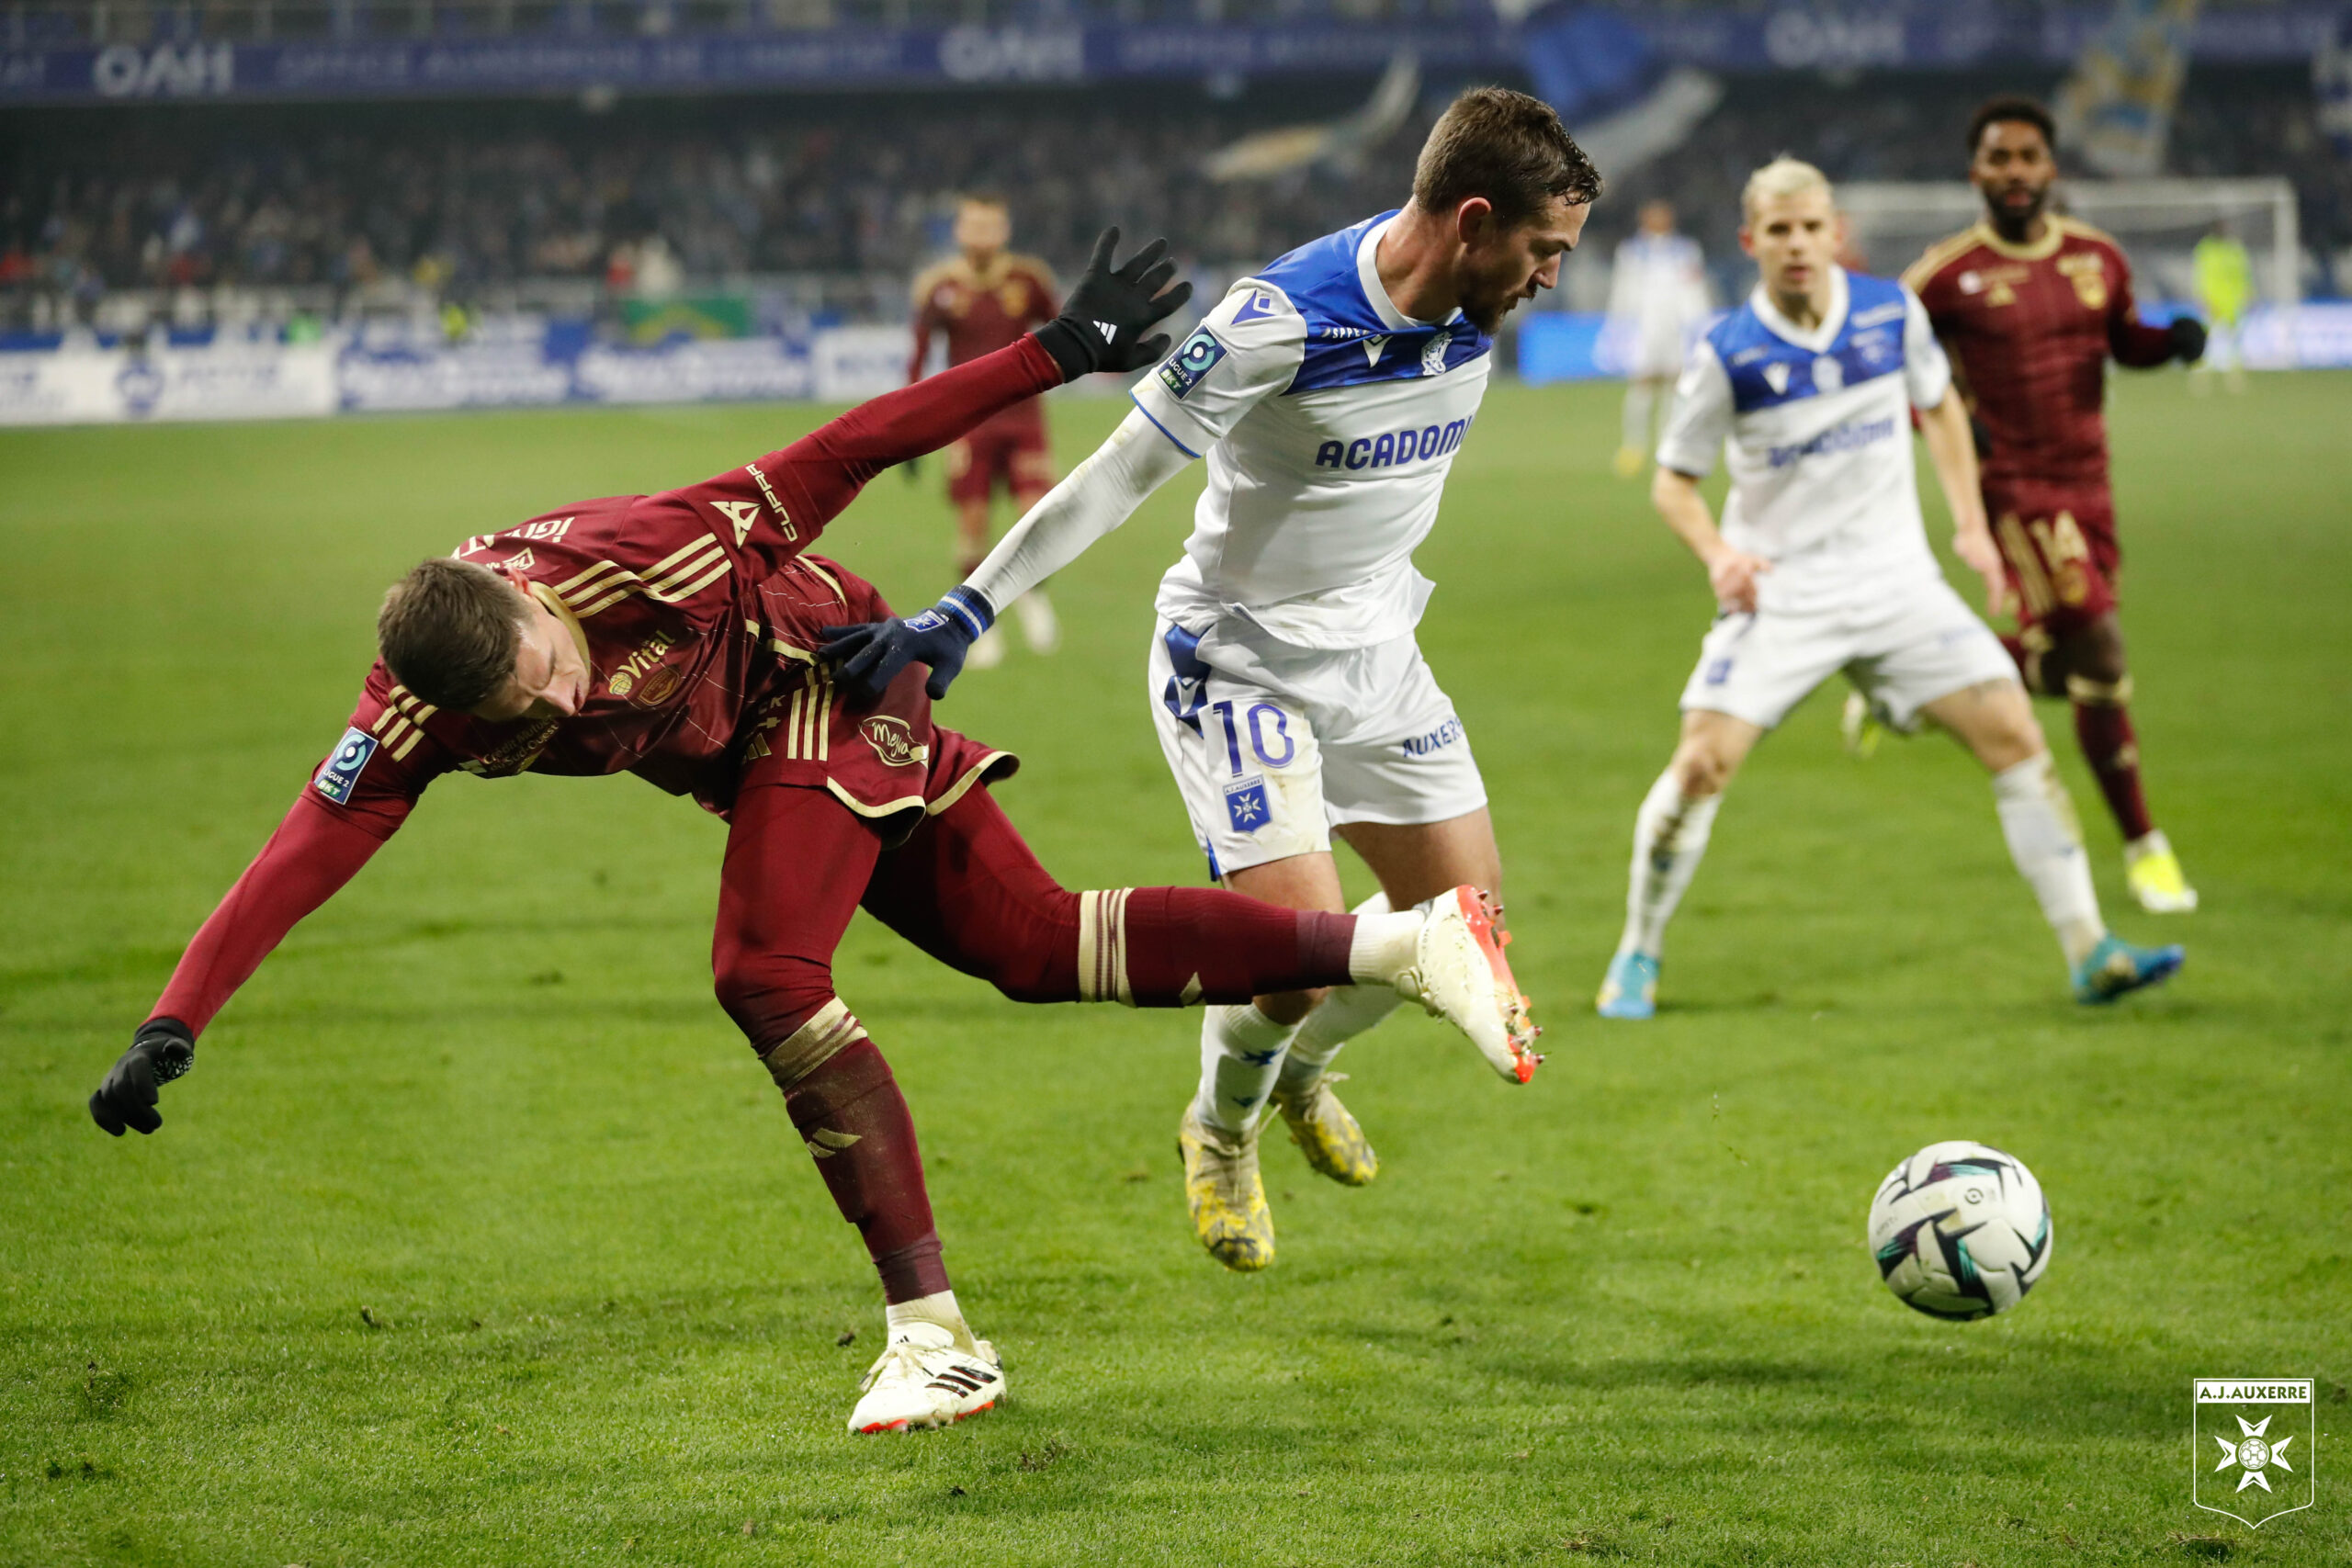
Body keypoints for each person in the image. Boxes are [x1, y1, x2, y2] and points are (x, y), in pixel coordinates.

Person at [85, 233, 1530, 1435]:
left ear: (533, 604)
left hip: (829, 672)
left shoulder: (647, 551)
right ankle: (1400, 941)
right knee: (1032, 947)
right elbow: (309, 843)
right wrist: (173, 1018)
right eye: (527, 713)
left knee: (765, 969)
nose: (564, 701)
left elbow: (846, 446)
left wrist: (1057, 350)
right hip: (758, 758)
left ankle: (933, 1334)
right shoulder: (418, 709)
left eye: (554, 667)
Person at [823, 87, 1597, 1273]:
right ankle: (1222, 1129)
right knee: (1291, 962)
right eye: (1545, 248)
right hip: (1238, 663)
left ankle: (1302, 1074)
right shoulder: (1277, 323)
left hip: (1382, 651)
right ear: (1473, 220)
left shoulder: (1472, 301)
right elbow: (1117, 472)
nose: (1551, 276)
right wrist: (968, 606)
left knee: (1464, 926)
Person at [1591, 158, 2184, 1021]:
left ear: (1836, 233)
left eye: (1812, 228)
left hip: (1897, 585)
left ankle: (2091, 949)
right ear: (1752, 241)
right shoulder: (1727, 351)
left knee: (2017, 735)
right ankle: (1636, 953)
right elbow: (1673, 482)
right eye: (1780, 231)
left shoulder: (1891, 313)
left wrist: (1970, 525)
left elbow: (1940, 407)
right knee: (1701, 765)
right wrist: (1719, 555)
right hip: (1782, 596)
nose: (1798, 245)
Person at [1904, 96, 2208, 914]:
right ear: (1976, 172)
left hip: (2090, 485)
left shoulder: (2097, 257)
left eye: (2027, 157)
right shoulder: (1944, 276)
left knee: (2077, 664)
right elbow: (1893, 372)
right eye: (1998, 158)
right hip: (2015, 491)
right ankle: (2146, 847)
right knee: (2102, 653)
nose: (2015, 172)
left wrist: (2168, 343)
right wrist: (1953, 427)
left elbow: (2122, 340)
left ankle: (1917, 677)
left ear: (2050, 167)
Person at [907, 195, 1064, 671]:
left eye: (990, 226)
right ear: (959, 231)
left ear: (1004, 230)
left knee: (1037, 516)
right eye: (973, 226)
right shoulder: (939, 287)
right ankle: (981, 624)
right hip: (970, 425)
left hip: (1024, 420)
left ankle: (1032, 594)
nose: (982, 235)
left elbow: (1063, 330)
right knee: (973, 524)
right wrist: (911, 428)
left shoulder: (1029, 280)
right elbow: (918, 357)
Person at [1607, 197, 1712, 478]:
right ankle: (1634, 446)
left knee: (1673, 384)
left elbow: (1695, 287)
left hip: (1675, 327)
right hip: (1644, 326)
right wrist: (1618, 324)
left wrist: (1698, 322)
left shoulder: (1686, 250)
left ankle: (1666, 446)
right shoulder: (1631, 251)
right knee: (1642, 383)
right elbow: (1622, 289)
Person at [2191, 220, 2252, 393]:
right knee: (2206, 338)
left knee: (2235, 339)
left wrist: (2248, 294)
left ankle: (2235, 377)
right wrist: (2202, 297)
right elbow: (2200, 275)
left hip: (2233, 301)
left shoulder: (2235, 249)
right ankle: (2201, 376)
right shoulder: (2206, 249)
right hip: (2212, 300)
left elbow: (2244, 274)